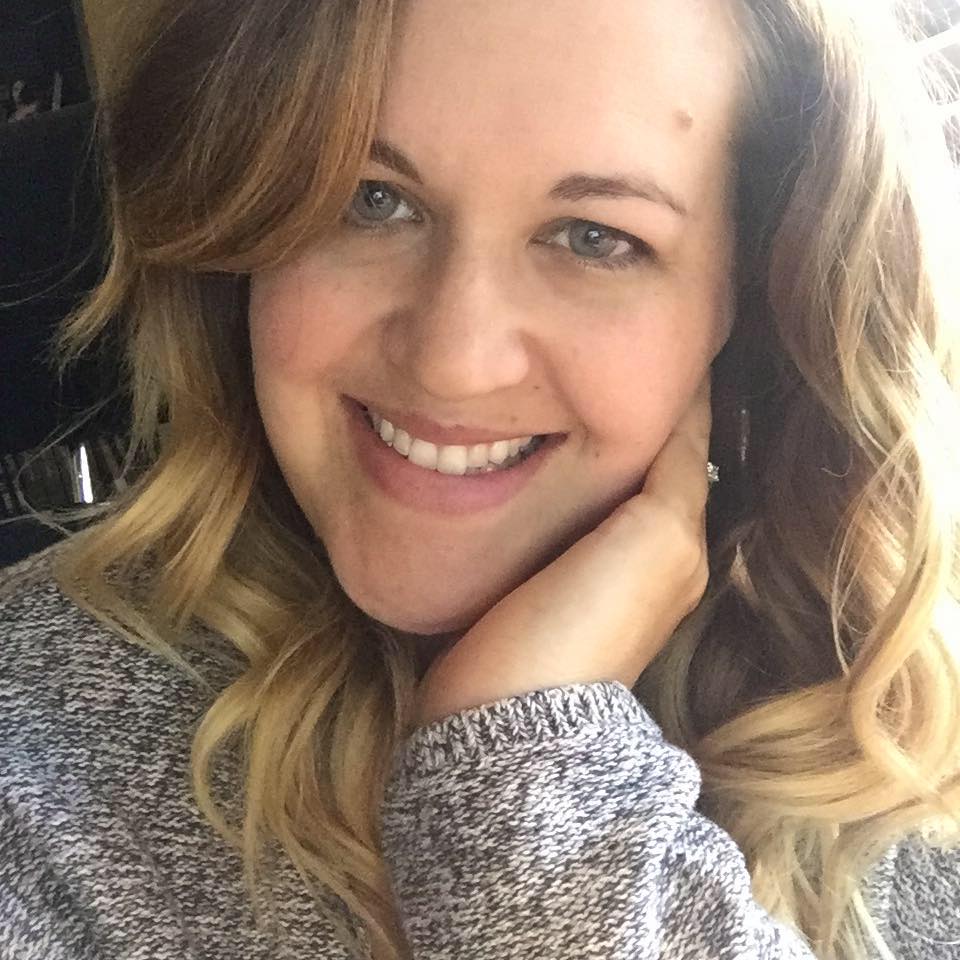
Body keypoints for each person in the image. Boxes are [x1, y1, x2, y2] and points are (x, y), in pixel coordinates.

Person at [1, 0, 959, 958]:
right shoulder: (32, 752)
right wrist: (530, 764)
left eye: (592, 237)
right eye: (371, 199)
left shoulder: (909, 751)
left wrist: (530, 766)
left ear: (756, 301)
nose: (452, 362)